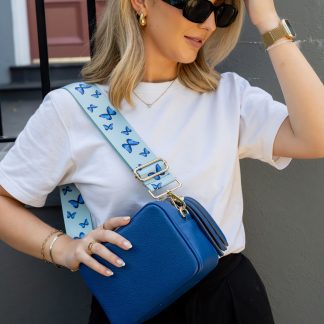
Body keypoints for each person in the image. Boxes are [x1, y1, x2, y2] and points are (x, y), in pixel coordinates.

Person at [0, 0, 323, 322]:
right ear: (140, 3)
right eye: (198, 7)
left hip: (225, 299)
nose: (209, 24)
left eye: (223, 12)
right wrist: (63, 248)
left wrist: (268, 22)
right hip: (134, 299)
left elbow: (315, 138)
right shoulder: (71, 109)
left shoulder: (228, 95)